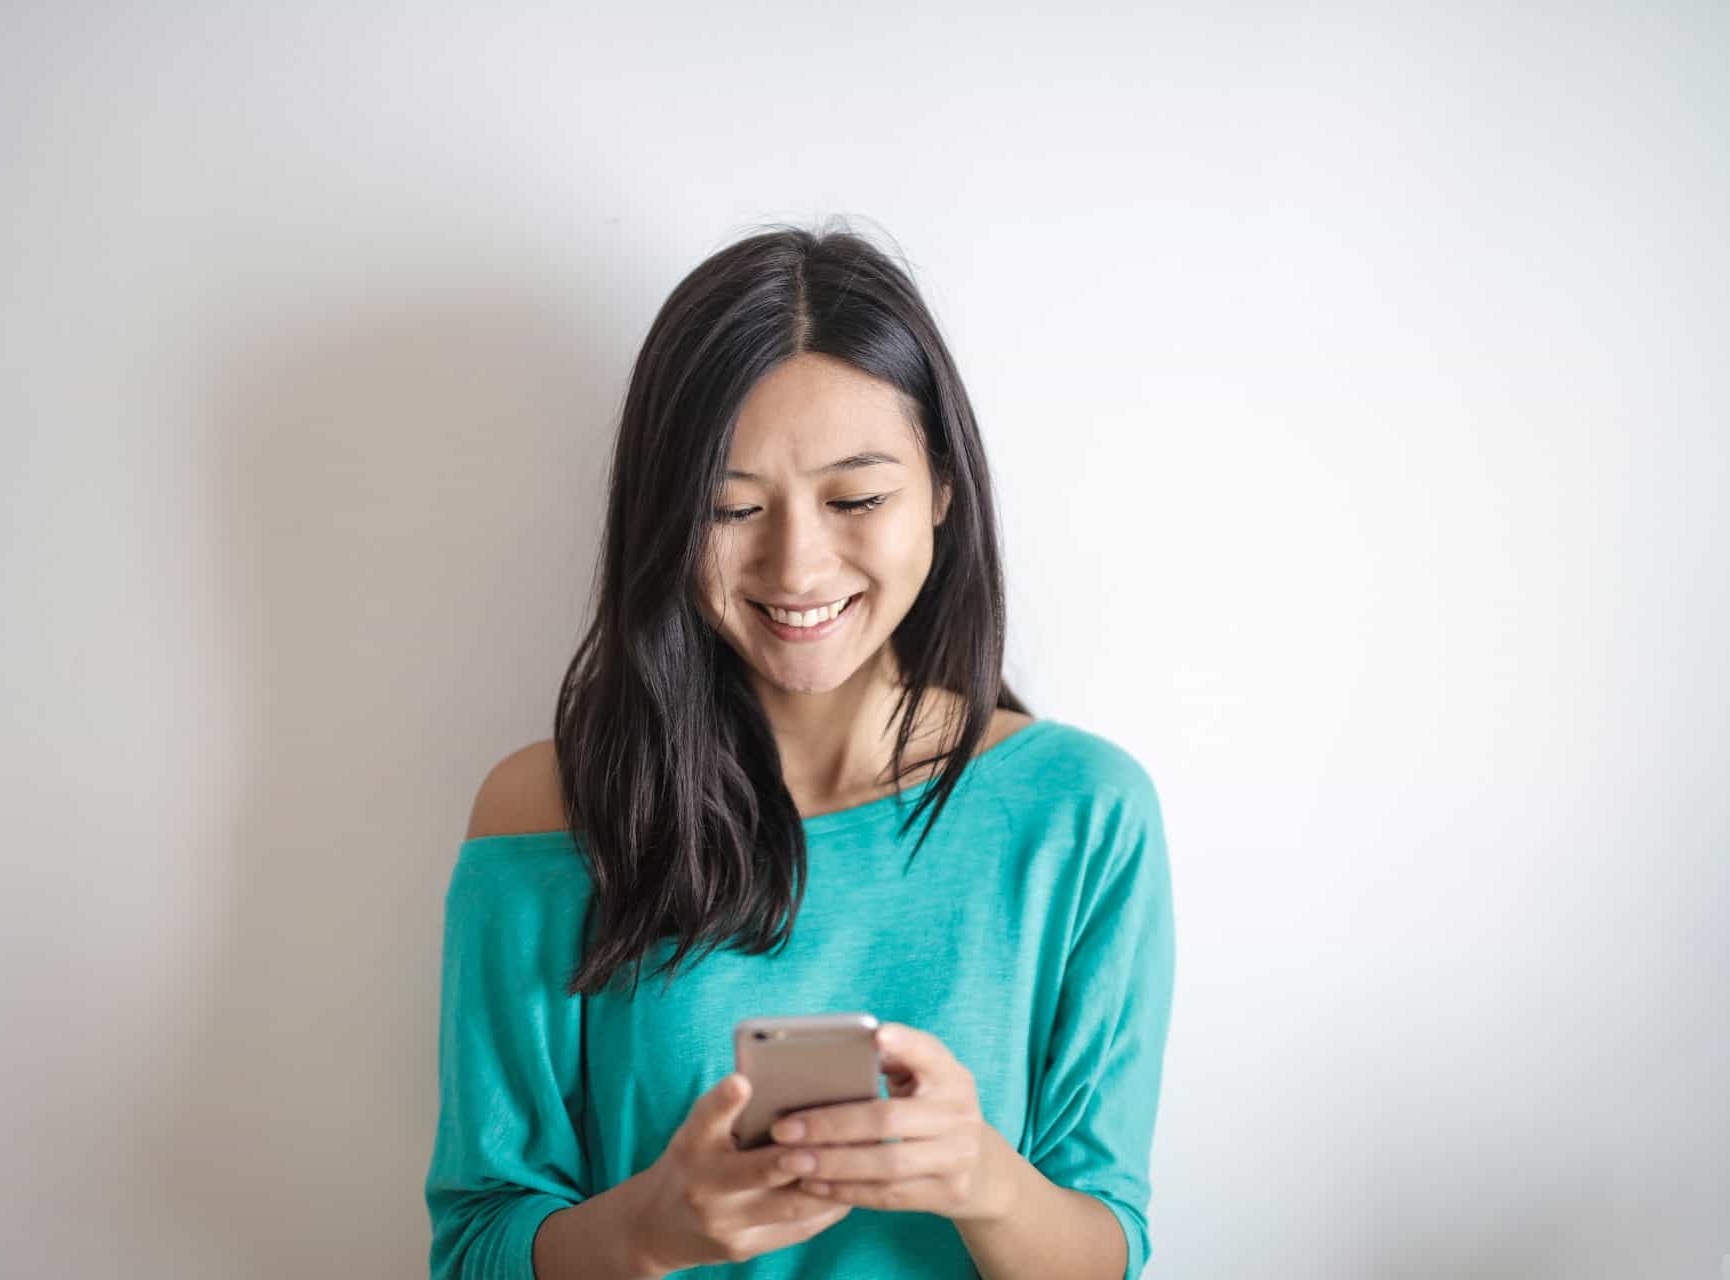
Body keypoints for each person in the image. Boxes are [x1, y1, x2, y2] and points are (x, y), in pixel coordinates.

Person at [425, 220, 1175, 1279]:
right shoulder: (549, 809)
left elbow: (1108, 1251)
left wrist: (982, 1180)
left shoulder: (1082, 812)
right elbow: (473, 1249)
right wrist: (649, 1228)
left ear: (945, 493)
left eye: (857, 498)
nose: (796, 562)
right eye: (732, 507)